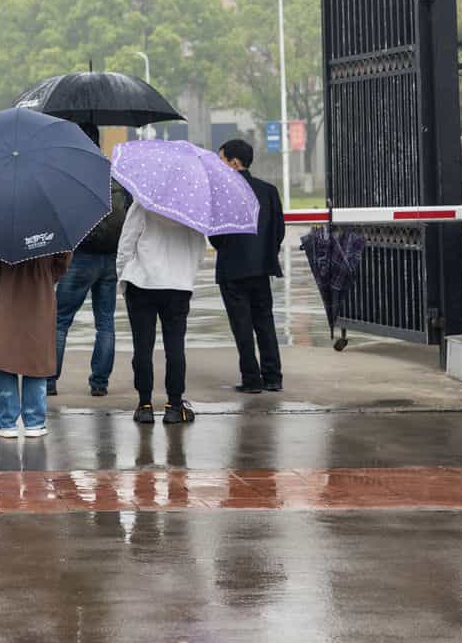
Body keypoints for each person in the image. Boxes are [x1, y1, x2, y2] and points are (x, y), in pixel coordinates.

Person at [49, 123, 124, 398]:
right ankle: (100, 384)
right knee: (105, 322)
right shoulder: (113, 172)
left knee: (59, 320)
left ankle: (48, 381)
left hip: (81, 257)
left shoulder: (73, 173)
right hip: (110, 258)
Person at [117, 198, 206, 425]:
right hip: (178, 286)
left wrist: (123, 277)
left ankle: (145, 405)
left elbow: (127, 242)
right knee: (175, 348)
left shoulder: (143, 202)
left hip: (142, 283)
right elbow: (198, 249)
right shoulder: (193, 207)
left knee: (142, 347)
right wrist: (187, 276)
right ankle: (174, 407)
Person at [0, 252, 71, 439]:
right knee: (36, 354)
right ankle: (35, 422)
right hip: (39, 285)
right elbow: (63, 259)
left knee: (4, 353)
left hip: (4, 284)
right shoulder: (50, 226)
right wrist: (48, 276)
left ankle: (6, 423)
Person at [213, 138, 287, 394]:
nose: (219, 164)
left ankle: (251, 379)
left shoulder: (223, 193)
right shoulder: (268, 191)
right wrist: (266, 253)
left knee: (242, 326)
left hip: (232, 270)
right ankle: (273, 377)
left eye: (221, 159)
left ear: (234, 162)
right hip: (262, 268)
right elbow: (279, 230)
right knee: (265, 322)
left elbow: (215, 236)